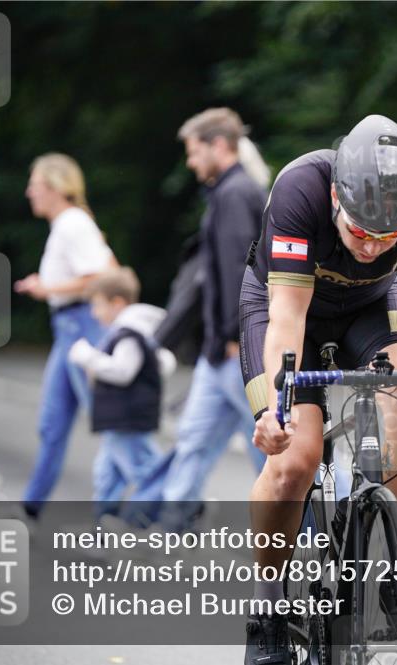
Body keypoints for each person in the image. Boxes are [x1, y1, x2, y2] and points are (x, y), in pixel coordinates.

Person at [239, 115, 397, 663]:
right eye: (361, 230)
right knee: (295, 458)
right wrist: (276, 410)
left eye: (389, 236)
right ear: (336, 195)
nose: (373, 245)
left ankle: (393, 573)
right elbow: (287, 316)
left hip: (371, 304)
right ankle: (267, 612)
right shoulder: (300, 187)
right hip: (285, 305)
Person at [123, 109, 267, 532]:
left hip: (237, 349)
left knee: (275, 453)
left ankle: (316, 538)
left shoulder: (236, 195)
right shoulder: (228, 193)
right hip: (219, 353)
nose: (190, 162)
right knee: (193, 442)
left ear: (218, 145)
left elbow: (242, 270)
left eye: (193, 151)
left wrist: (238, 336)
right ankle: (164, 528)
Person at [15, 153, 115, 519]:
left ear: (56, 187)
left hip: (81, 328)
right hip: (68, 328)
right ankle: (30, 506)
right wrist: (47, 286)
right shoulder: (68, 224)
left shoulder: (72, 223)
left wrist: (49, 289)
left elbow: (100, 276)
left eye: (35, 184)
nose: (29, 192)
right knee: (52, 423)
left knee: (109, 423)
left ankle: (143, 505)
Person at [67, 267, 176, 517]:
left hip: (126, 417)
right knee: (107, 476)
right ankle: (102, 532)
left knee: (146, 472)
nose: (94, 314)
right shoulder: (133, 333)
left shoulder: (129, 333)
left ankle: (183, 514)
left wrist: (88, 357)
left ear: (117, 303)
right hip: (120, 418)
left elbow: (123, 371)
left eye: (97, 306)